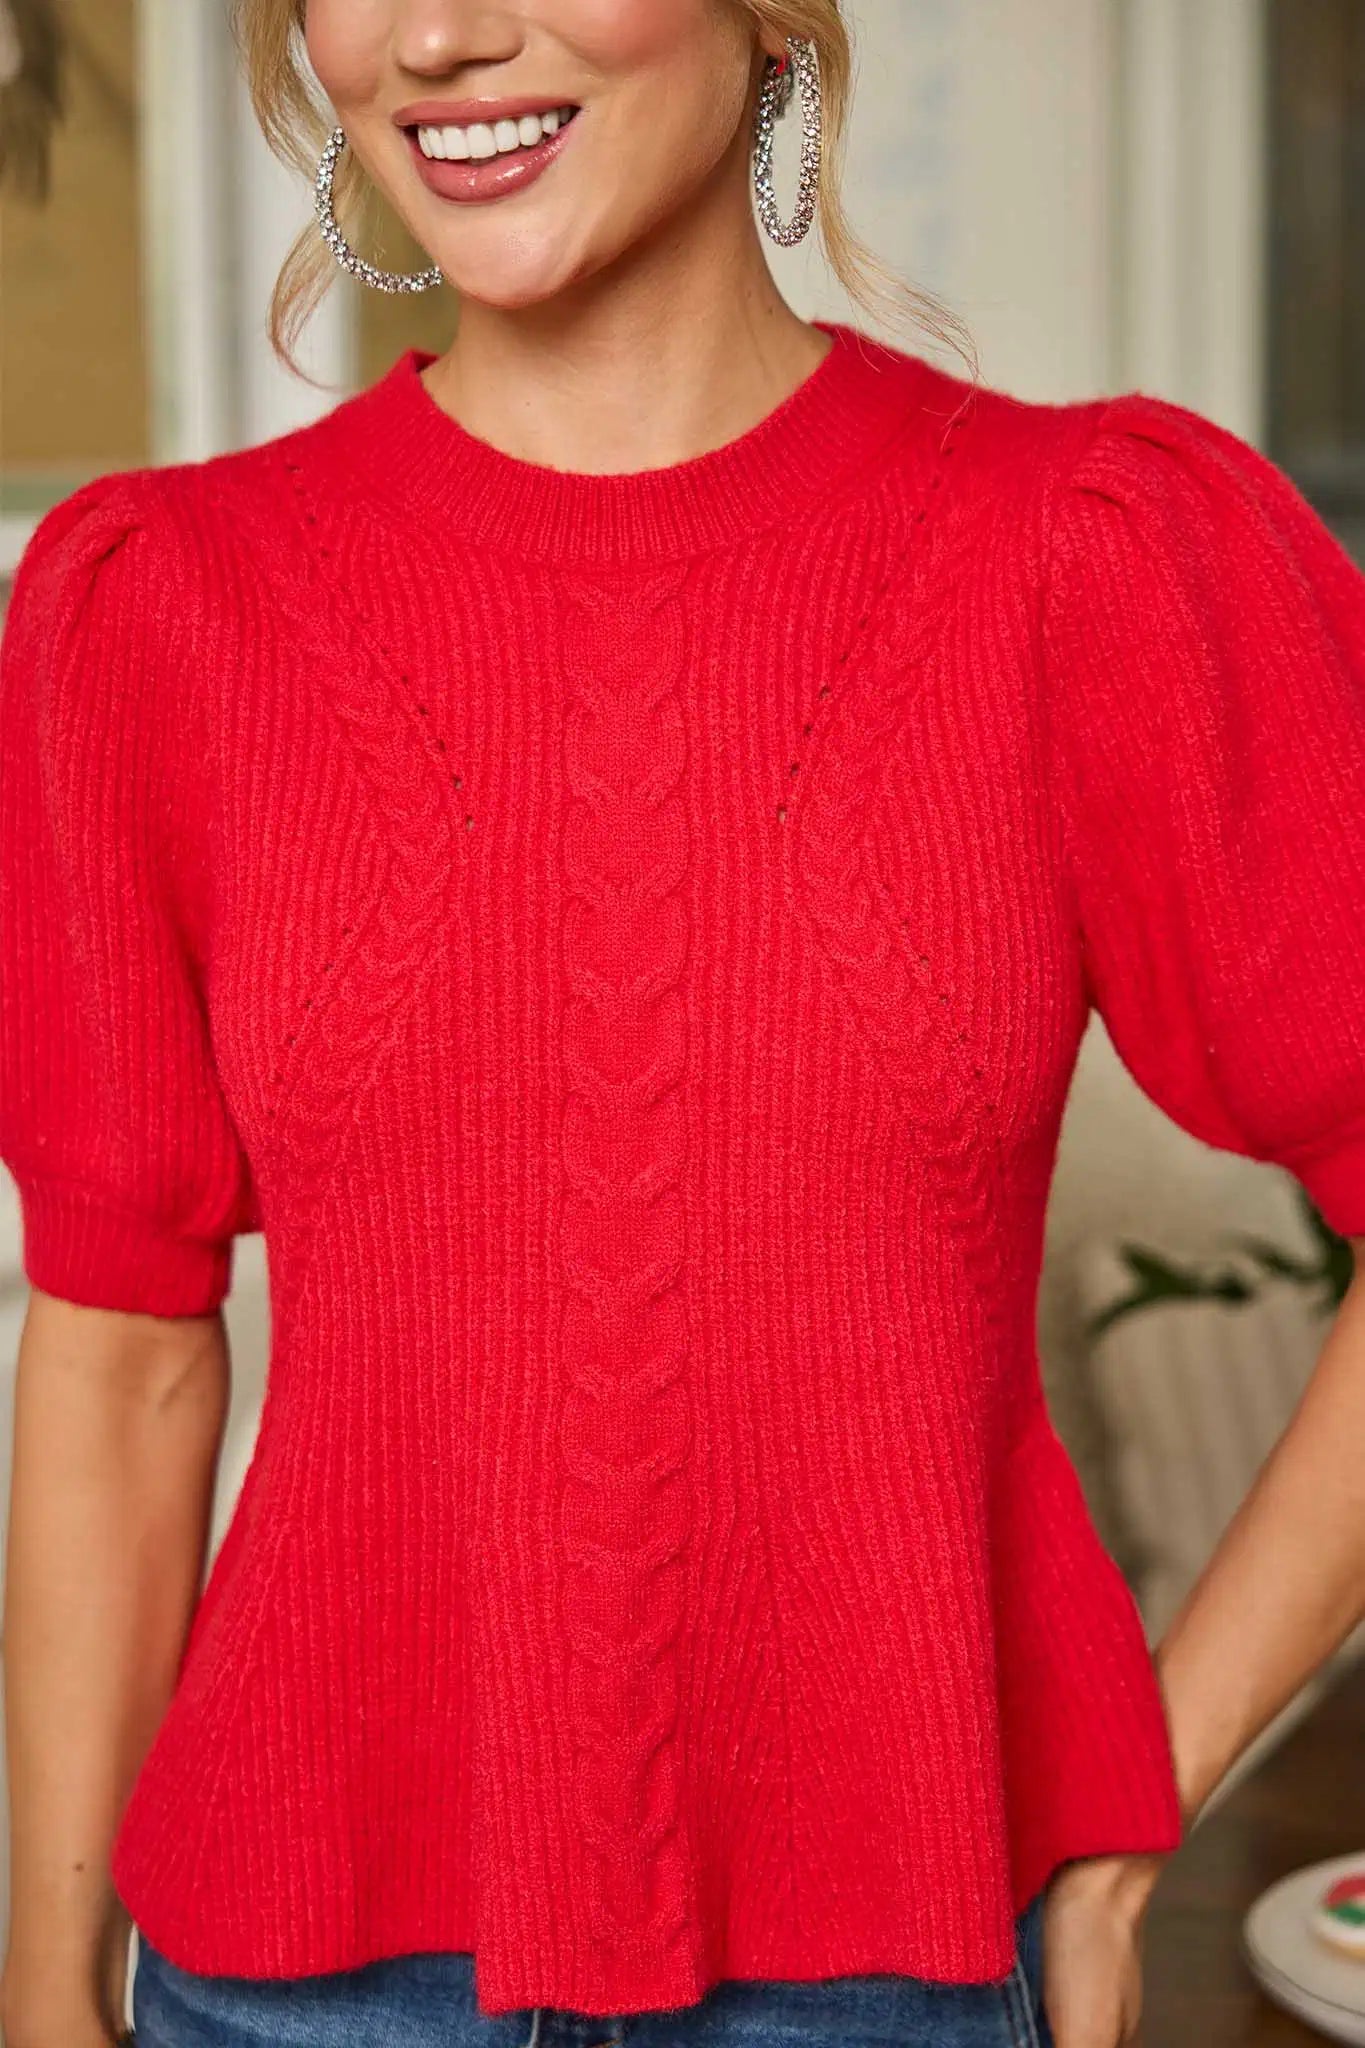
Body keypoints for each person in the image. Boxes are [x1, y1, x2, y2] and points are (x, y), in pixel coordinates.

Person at [3, 3, 1365, 2045]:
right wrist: (38, 1991)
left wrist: (1123, 1811)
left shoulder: (1082, 560)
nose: (443, 35)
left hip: (891, 1983)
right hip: (289, 1989)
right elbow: (116, 1356)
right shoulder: (161, 609)